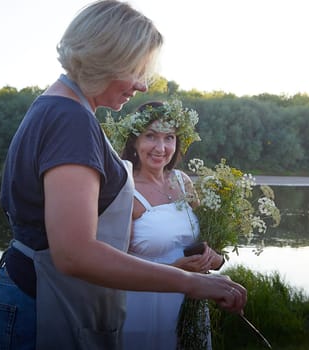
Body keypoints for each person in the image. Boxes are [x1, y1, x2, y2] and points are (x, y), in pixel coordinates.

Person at [0, 1, 246, 349]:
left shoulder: (57, 106)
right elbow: (74, 253)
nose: (142, 86)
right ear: (106, 59)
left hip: (35, 293)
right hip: (41, 304)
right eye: (136, 70)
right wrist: (189, 282)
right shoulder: (70, 120)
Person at [113, 100, 224, 349]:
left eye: (169, 137)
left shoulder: (183, 182)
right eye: (151, 136)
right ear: (134, 141)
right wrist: (176, 270)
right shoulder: (123, 189)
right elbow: (112, 263)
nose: (161, 147)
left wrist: (213, 259)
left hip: (191, 302)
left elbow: (201, 242)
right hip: (143, 305)